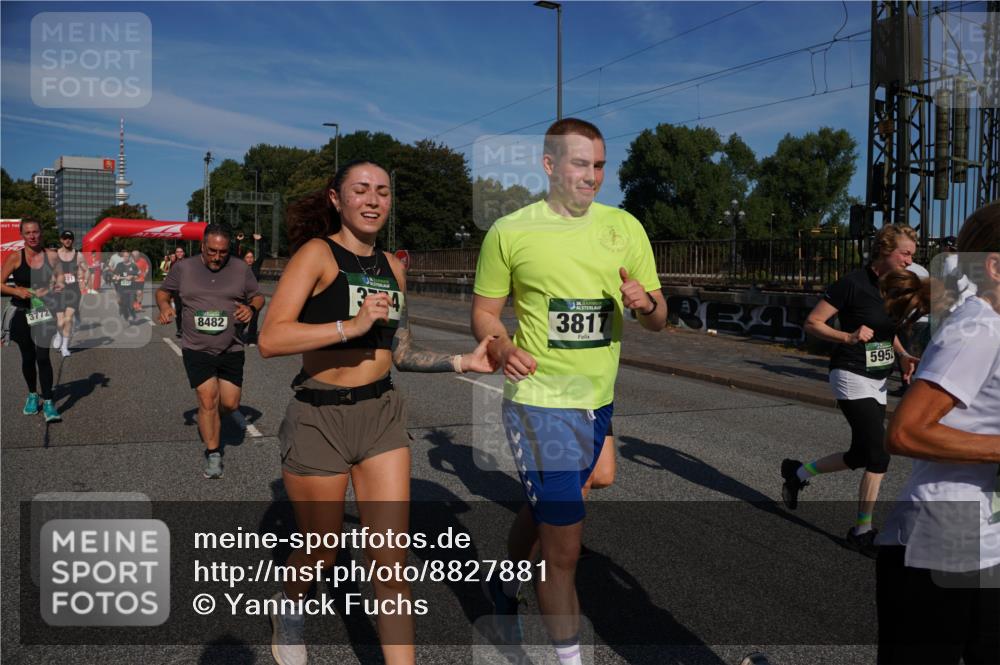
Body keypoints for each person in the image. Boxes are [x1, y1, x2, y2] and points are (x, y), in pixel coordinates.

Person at [258, 159, 495, 665]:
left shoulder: (393, 267)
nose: (373, 200)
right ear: (336, 198)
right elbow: (271, 338)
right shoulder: (317, 255)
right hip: (319, 417)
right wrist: (350, 326)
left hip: (382, 415)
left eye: (382, 192)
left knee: (390, 562)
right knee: (321, 548)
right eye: (361, 190)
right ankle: (290, 605)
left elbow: (402, 352)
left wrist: (463, 361)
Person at [470, 118, 667, 662]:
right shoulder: (510, 231)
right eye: (580, 163)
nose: (592, 176)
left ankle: (504, 581)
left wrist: (646, 303)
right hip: (539, 402)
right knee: (564, 551)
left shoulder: (625, 226)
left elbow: (659, 318)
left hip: (596, 400)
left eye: (599, 165)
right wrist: (501, 346)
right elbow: (484, 313)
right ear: (550, 165)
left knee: (588, 485)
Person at [877, 202, 1000, 664]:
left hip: (984, 538)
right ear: (994, 267)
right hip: (942, 538)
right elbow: (905, 433)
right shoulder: (978, 330)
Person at [781, 224, 920, 558]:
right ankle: (861, 531)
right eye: (905, 253)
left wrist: (903, 355)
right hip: (850, 373)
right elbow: (813, 323)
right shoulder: (852, 284)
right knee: (879, 454)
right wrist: (849, 337)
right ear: (885, 250)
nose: (910, 261)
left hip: (878, 378)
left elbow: (887, 330)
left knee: (860, 454)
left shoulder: (894, 287)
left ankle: (797, 473)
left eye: (913, 255)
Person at [156, 225, 264, 479]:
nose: (217, 257)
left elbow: (258, 296)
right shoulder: (184, 268)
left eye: (223, 252)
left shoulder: (240, 268)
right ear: (202, 246)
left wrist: (251, 308)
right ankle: (213, 452)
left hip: (231, 347)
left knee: (230, 403)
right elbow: (163, 292)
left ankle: (212, 417)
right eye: (212, 251)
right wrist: (164, 306)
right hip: (196, 347)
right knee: (207, 400)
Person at [0, 219, 63, 422]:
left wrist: (54, 288)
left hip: (43, 311)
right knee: (27, 357)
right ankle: (32, 395)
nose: (32, 236)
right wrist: (16, 290)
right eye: (28, 233)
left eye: (35, 231)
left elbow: (62, 281)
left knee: (42, 357)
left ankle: (49, 402)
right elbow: (0, 284)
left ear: (41, 232)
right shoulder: (15, 257)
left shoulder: (52, 256)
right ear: (22, 235)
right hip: (21, 312)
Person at [52, 230, 87, 357]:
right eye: (65, 238)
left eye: (70, 238)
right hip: (59, 290)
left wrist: (83, 281)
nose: (68, 240)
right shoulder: (55, 255)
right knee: (60, 321)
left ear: (73, 240)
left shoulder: (78, 255)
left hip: (73, 290)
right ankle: (58, 333)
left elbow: (86, 270)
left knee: (69, 318)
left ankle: (65, 347)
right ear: (61, 240)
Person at [163, 246, 187, 338]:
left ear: (184, 253)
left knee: (188, 310)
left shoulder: (188, 263)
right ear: (176, 253)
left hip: (187, 290)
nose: (179, 253)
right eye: (177, 252)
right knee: (178, 309)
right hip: (176, 290)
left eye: (181, 251)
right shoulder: (173, 264)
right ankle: (179, 329)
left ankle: (188, 329)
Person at [112, 251, 140, 324]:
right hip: (122, 288)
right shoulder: (119, 265)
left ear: (129, 257)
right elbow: (115, 275)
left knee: (131, 304)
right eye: (124, 256)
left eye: (127, 256)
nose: (125, 258)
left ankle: (133, 316)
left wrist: (132, 277)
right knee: (123, 304)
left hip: (131, 288)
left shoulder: (133, 265)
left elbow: (138, 275)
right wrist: (116, 277)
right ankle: (126, 315)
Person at [132, 250, 150, 316]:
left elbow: (147, 267)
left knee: (139, 292)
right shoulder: (130, 261)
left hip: (140, 279)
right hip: (132, 280)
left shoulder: (143, 260)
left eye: (135, 256)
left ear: (138, 256)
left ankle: (139, 305)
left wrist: (145, 273)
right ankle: (134, 304)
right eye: (133, 256)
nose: (134, 257)